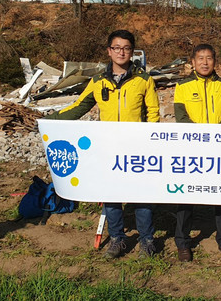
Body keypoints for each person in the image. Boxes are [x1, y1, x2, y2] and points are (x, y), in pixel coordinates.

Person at [46, 29, 160, 259]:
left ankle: (147, 240)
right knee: (111, 196)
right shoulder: (98, 81)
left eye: (126, 48)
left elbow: (153, 114)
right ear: (109, 51)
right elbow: (79, 107)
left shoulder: (144, 80)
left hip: (136, 147)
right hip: (108, 148)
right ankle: (118, 239)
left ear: (132, 52)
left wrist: (149, 142)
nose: (121, 52)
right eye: (116, 48)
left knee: (141, 195)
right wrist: (50, 120)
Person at [173, 43, 221, 263]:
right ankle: (183, 242)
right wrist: (200, 138)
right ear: (192, 62)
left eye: (209, 58)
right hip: (191, 149)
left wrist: (219, 135)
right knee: (185, 196)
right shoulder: (182, 87)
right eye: (200, 58)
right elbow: (181, 117)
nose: (204, 62)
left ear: (214, 61)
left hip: (220, 149)